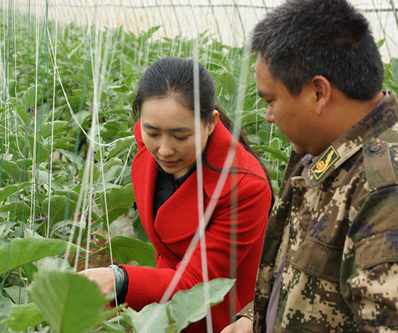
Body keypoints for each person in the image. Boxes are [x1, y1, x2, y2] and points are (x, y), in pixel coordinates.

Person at [222, 0, 398, 332]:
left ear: (318, 92)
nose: (268, 116)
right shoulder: (323, 154)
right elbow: (307, 274)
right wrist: (254, 318)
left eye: (271, 100)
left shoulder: (384, 186)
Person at [81, 57, 272, 332]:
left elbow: (197, 283)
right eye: (153, 132)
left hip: (213, 316)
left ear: (211, 123)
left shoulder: (245, 187)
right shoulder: (151, 140)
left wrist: (119, 279)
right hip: (158, 301)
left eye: (181, 136)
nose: (165, 149)